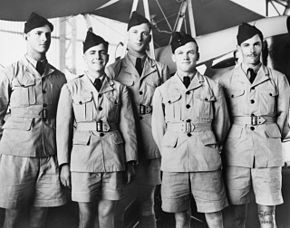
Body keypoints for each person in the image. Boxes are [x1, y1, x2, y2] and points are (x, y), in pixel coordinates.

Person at [56, 30, 138, 228]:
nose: (97, 57)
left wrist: (130, 160)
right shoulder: (71, 88)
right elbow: (62, 128)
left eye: (101, 53)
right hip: (83, 160)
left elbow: (128, 127)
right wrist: (64, 164)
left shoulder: (120, 89)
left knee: (107, 212)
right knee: (85, 215)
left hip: (113, 157)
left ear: (107, 57)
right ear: (84, 57)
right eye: (92, 53)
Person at [151, 31, 230, 228]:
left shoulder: (213, 88)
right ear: (173, 57)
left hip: (205, 159)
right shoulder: (162, 91)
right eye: (181, 52)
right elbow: (158, 129)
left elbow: (222, 124)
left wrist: (209, 144)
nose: (186, 56)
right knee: (180, 217)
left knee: (214, 215)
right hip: (174, 162)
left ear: (198, 55)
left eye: (190, 52)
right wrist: (170, 150)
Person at [218, 23, 290, 228]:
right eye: (246, 45)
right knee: (237, 215)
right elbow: (222, 118)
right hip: (236, 152)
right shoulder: (225, 81)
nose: (252, 50)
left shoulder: (278, 79)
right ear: (238, 49)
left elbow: (284, 116)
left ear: (263, 46)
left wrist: (271, 135)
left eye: (256, 44)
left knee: (267, 215)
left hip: (268, 150)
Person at [0, 12, 67, 228]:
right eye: (38, 33)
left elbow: (64, 116)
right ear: (26, 37)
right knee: (13, 214)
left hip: (48, 154)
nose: (44, 39)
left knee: (41, 214)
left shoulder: (58, 77)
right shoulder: (11, 72)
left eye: (47, 35)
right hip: (17, 154)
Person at [106, 11, 169, 228]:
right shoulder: (113, 69)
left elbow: (166, 109)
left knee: (147, 203)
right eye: (135, 32)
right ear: (127, 36)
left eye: (144, 33)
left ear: (150, 37)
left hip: (151, 142)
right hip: (123, 143)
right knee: (117, 204)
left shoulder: (160, 70)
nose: (139, 37)